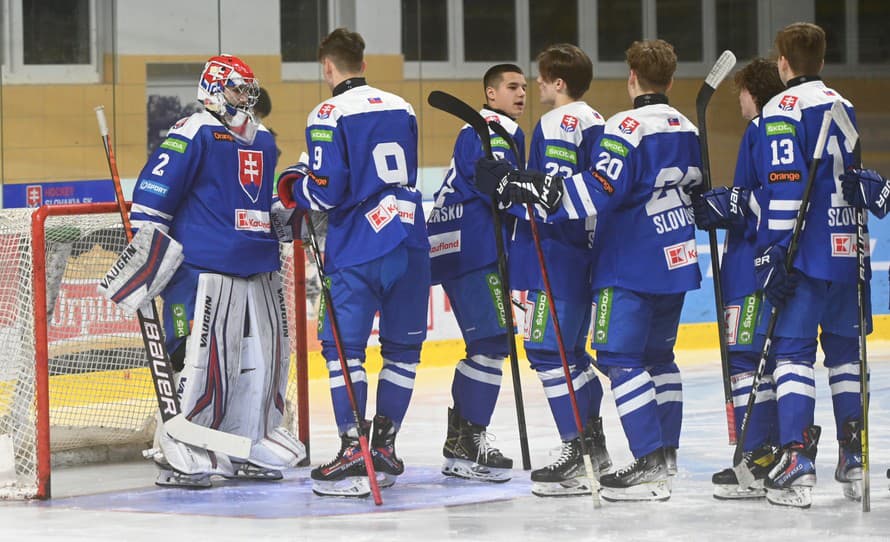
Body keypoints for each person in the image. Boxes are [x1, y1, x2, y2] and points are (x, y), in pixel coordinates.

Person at [478, 39, 702, 502]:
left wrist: (519, 190)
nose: (534, 88)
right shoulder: (684, 126)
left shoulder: (591, 122)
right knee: (653, 359)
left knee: (569, 354)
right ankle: (657, 458)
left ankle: (602, 454)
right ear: (672, 80)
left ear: (633, 78)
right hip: (673, 255)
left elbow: (584, 194)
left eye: (539, 80)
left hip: (599, 258)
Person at [112, 54, 306, 488]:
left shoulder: (265, 141)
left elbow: (255, 205)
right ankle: (176, 443)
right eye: (237, 89)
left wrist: (292, 211)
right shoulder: (193, 131)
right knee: (193, 360)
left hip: (256, 268)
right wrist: (148, 262)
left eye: (247, 90)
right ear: (215, 88)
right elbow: (152, 199)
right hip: (201, 270)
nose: (245, 98)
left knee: (256, 364)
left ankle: (246, 439)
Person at [273, 28, 430, 497]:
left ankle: (352, 448)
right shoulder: (402, 106)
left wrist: (293, 184)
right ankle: (383, 447)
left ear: (327, 67)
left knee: (342, 350)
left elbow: (325, 191)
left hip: (360, 245)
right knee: (403, 353)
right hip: (410, 236)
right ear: (363, 62)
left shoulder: (328, 112)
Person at [744, 22, 864, 508]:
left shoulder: (782, 109)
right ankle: (853, 456)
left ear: (783, 63)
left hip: (806, 253)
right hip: (846, 248)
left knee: (792, 353)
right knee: (845, 357)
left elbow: (787, 184)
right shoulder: (844, 103)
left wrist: (774, 250)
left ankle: (797, 459)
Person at [513, 44, 610, 497]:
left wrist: (509, 188)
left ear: (558, 83)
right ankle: (594, 445)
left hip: (555, 252)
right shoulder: (599, 122)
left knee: (549, 353)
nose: (536, 84)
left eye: (542, 77)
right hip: (588, 253)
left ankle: (579, 449)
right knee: (570, 354)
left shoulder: (556, 124)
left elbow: (550, 197)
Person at [426, 63, 527, 483]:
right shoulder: (491, 128)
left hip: (462, 245)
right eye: (511, 86)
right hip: (474, 247)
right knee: (492, 341)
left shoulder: (487, 128)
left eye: (524, 86)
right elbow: (500, 188)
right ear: (490, 94)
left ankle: (462, 441)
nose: (521, 93)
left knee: (488, 342)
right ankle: (469, 442)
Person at [692, 58, 785, 500]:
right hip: (755, 260)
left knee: (748, 360)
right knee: (757, 361)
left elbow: (767, 200)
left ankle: (760, 455)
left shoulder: (764, 128)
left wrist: (730, 204)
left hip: (753, 264)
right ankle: (765, 452)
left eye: (743, 92)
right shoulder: (775, 128)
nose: (740, 102)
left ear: (755, 90)